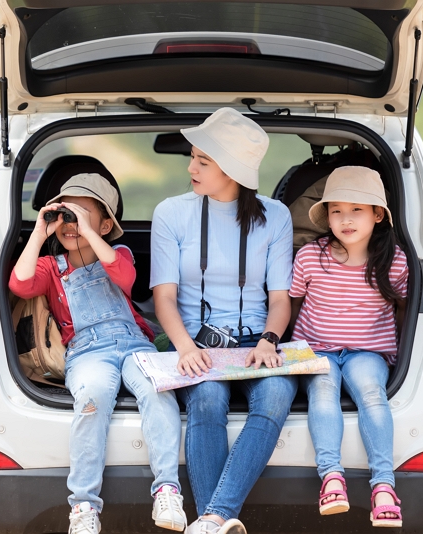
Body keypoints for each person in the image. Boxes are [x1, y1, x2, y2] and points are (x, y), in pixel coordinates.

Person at [10, 173, 187, 534]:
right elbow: (20, 283)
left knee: (159, 391)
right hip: (88, 351)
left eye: (81, 213)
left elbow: (124, 277)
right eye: (65, 214)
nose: (70, 223)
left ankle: (167, 489)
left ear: (106, 224)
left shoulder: (117, 253)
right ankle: (84, 506)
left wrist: (89, 233)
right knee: (91, 400)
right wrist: (40, 233)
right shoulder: (52, 268)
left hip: (134, 343)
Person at [150, 108, 295, 534]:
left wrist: (269, 340)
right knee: (208, 399)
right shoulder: (171, 213)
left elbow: (280, 300)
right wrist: (185, 348)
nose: (191, 167)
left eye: (203, 161)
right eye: (191, 157)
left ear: (232, 170)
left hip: (257, 343)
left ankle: (211, 518)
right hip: (196, 343)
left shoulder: (276, 217)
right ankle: (215, 521)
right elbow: (164, 299)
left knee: (275, 397)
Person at [289, 166, 407, 528]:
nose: (345, 219)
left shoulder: (395, 261)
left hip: (367, 351)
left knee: (372, 393)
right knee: (323, 392)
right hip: (316, 350)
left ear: (378, 215)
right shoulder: (311, 256)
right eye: (336, 210)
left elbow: (404, 312)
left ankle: (384, 486)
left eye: (357, 209)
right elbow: (293, 305)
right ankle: (332, 478)